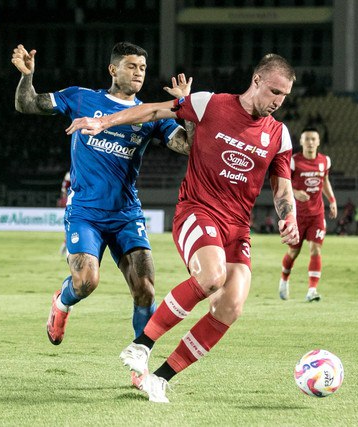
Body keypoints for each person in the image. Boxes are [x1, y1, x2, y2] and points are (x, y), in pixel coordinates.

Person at [67, 53, 299, 403]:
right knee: (212, 276)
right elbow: (153, 111)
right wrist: (105, 122)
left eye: (284, 96)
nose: (278, 102)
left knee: (231, 306)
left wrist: (289, 217)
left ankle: (159, 378)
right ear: (257, 81)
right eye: (275, 92)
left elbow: (282, 190)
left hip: (237, 228)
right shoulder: (209, 104)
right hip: (198, 211)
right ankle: (141, 345)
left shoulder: (278, 134)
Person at [11, 42, 194, 387]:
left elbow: (188, 146)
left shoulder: (148, 115)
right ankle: (62, 304)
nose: (139, 72)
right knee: (87, 282)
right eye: (131, 65)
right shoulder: (81, 98)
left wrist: (187, 109)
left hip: (126, 213)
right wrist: (27, 77)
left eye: (142, 66)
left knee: (145, 289)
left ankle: (138, 369)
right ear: (113, 70)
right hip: (86, 212)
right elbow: (27, 104)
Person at [278, 127, 337, 302]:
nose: (310, 142)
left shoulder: (325, 161)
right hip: (297, 216)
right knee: (293, 252)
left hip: (317, 214)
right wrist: (295, 193)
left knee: (315, 249)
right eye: (307, 139)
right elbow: (283, 182)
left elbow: (324, 180)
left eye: (313, 139)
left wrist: (332, 200)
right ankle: (284, 280)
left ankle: (312, 290)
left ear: (318, 142)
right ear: (302, 141)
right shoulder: (294, 162)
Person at [57, 171, 70, 257]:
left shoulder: (69, 175)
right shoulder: (70, 175)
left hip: (72, 204)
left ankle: (65, 245)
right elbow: (64, 190)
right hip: (73, 204)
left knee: (70, 226)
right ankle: (66, 246)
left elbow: (63, 190)